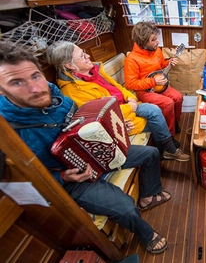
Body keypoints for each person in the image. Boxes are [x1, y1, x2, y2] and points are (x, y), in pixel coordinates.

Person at [0, 41, 169, 254]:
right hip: (72, 180)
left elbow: (89, 125)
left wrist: (115, 126)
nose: (35, 88)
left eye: (35, 76)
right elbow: (18, 185)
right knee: (125, 207)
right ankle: (148, 235)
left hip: (95, 154)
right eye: (16, 82)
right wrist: (63, 178)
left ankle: (148, 196)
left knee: (151, 154)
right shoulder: (7, 133)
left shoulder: (63, 101)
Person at [45, 41, 190, 162]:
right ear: (70, 65)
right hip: (118, 117)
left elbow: (118, 87)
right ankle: (168, 149)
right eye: (82, 56)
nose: (88, 55)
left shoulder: (95, 70)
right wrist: (129, 108)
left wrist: (129, 97)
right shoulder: (72, 91)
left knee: (156, 110)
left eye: (84, 52)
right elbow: (100, 115)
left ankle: (167, 146)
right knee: (158, 116)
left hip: (127, 104)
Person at [124, 22, 183, 136]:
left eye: (157, 38)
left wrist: (169, 62)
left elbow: (161, 67)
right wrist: (153, 81)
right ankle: (169, 134)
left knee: (178, 97)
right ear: (143, 42)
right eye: (153, 40)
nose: (157, 42)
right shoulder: (131, 59)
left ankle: (175, 122)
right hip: (144, 92)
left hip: (160, 87)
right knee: (168, 103)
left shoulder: (157, 50)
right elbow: (130, 84)